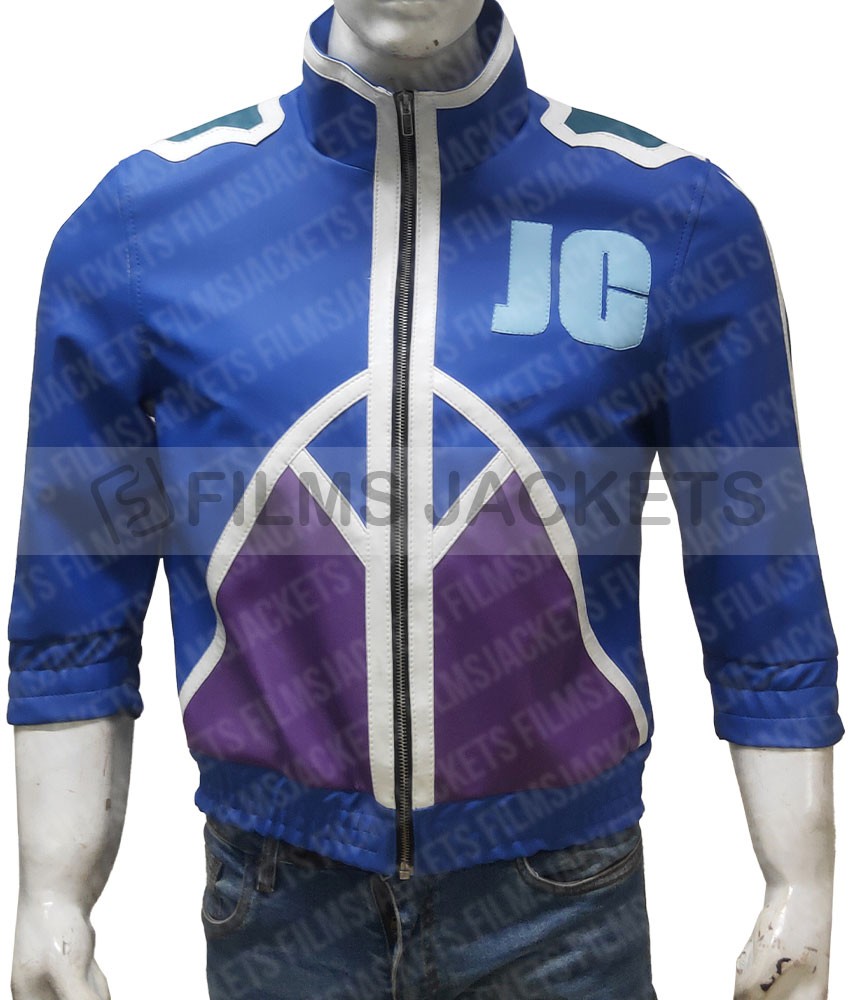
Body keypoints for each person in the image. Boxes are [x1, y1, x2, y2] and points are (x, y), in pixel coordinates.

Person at [9, 2, 840, 998]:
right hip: (277, 897)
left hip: (561, 901)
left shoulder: (672, 217)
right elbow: (74, 597)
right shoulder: (148, 225)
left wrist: (802, 880)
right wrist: (51, 892)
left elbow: (759, 575)